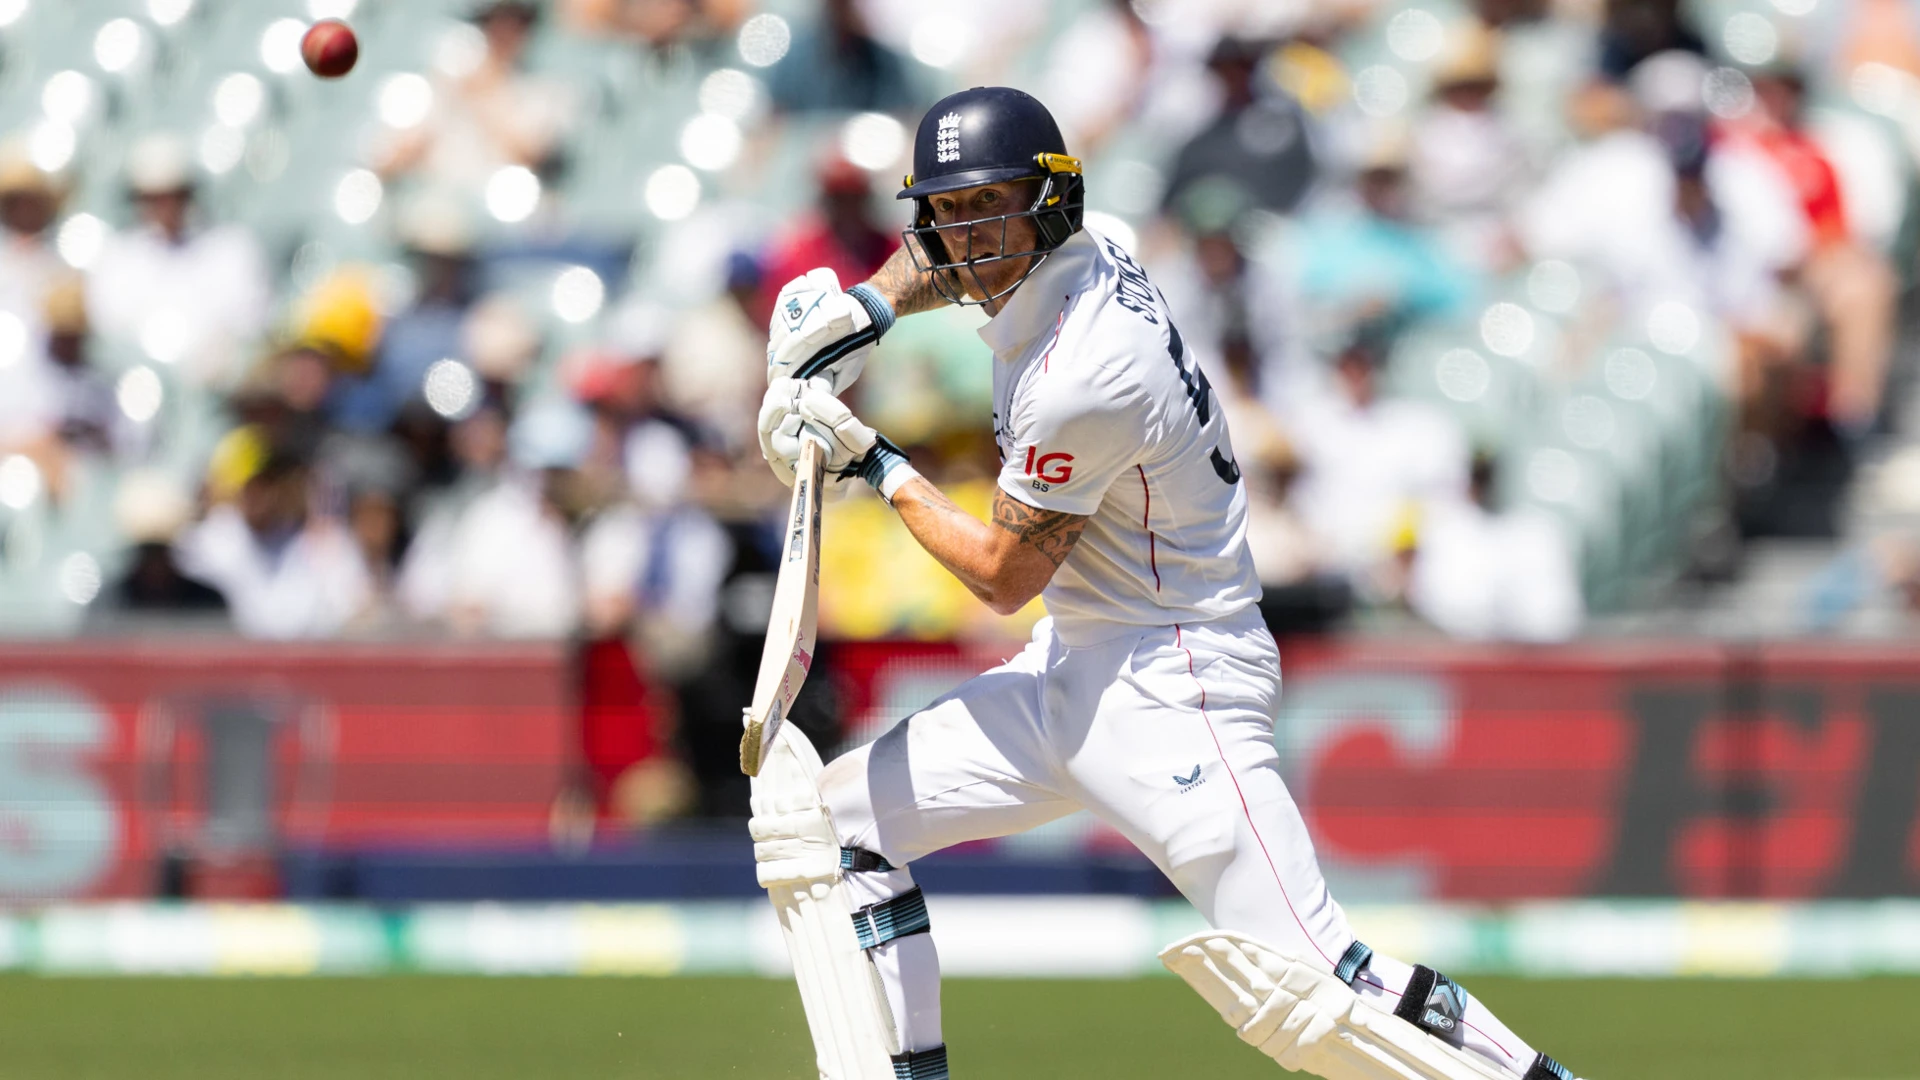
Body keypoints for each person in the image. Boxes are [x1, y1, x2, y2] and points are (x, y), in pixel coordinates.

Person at [750, 87, 1583, 1080]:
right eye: (949, 211)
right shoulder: (1089, 242)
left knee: (1315, 990)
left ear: (1048, 204)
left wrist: (872, 463)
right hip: (1072, 662)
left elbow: (1002, 575)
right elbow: (940, 259)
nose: (967, 242)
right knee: (835, 827)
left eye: (990, 210)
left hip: (1172, 682)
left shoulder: (1086, 372)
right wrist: (864, 310)